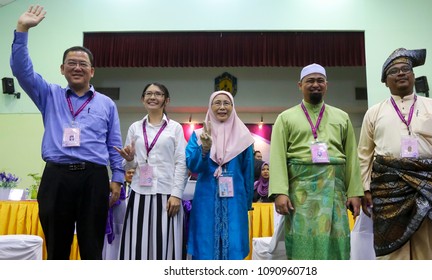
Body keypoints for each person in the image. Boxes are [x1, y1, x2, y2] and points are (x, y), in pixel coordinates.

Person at [10, 5, 124, 260]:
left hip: (93, 179)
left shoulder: (106, 103)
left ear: (92, 71)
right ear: (62, 69)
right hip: (56, 177)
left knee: (92, 248)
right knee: (56, 247)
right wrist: (22, 30)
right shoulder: (49, 95)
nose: (77, 67)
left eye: (83, 64)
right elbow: (22, 71)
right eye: (71, 63)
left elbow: (113, 144)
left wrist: (116, 178)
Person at [358, 47, 432, 260]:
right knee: (393, 256)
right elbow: (364, 155)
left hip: (431, 188)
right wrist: (365, 189)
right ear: (385, 81)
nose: (401, 73)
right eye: (394, 71)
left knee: (430, 250)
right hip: (388, 193)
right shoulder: (374, 112)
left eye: (406, 69)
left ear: (414, 76)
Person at [268, 63, 363, 260]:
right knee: (303, 243)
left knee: (336, 243)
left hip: (334, 191)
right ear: (300, 85)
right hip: (300, 193)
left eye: (320, 80)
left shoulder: (342, 117)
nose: (315, 85)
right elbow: (277, 156)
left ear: (327, 85)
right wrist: (280, 192)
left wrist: (354, 192)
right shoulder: (285, 118)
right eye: (310, 81)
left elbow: (352, 157)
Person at [114, 83, 188, 260]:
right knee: (137, 246)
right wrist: (130, 159)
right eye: (148, 93)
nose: (152, 97)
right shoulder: (135, 127)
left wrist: (177, 194)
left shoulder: (175, 128)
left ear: (166, 100)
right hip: (139, 194)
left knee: (165, 247)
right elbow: (128, 166)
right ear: (142, 99)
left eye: (158, 94)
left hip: (167, 196)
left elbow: (182, 163)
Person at [185, 90, 255, 260]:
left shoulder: (244, 137)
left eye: (226, 103)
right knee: (205, 244)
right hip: (205, 200)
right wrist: (205, 148)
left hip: (235, 202)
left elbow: (248, 173)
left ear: (233, 107)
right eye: (217, 103)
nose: (222, 107)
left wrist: (246, 203)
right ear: (210, 107)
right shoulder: (198, 135)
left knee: (234, 243)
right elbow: (192, 166)